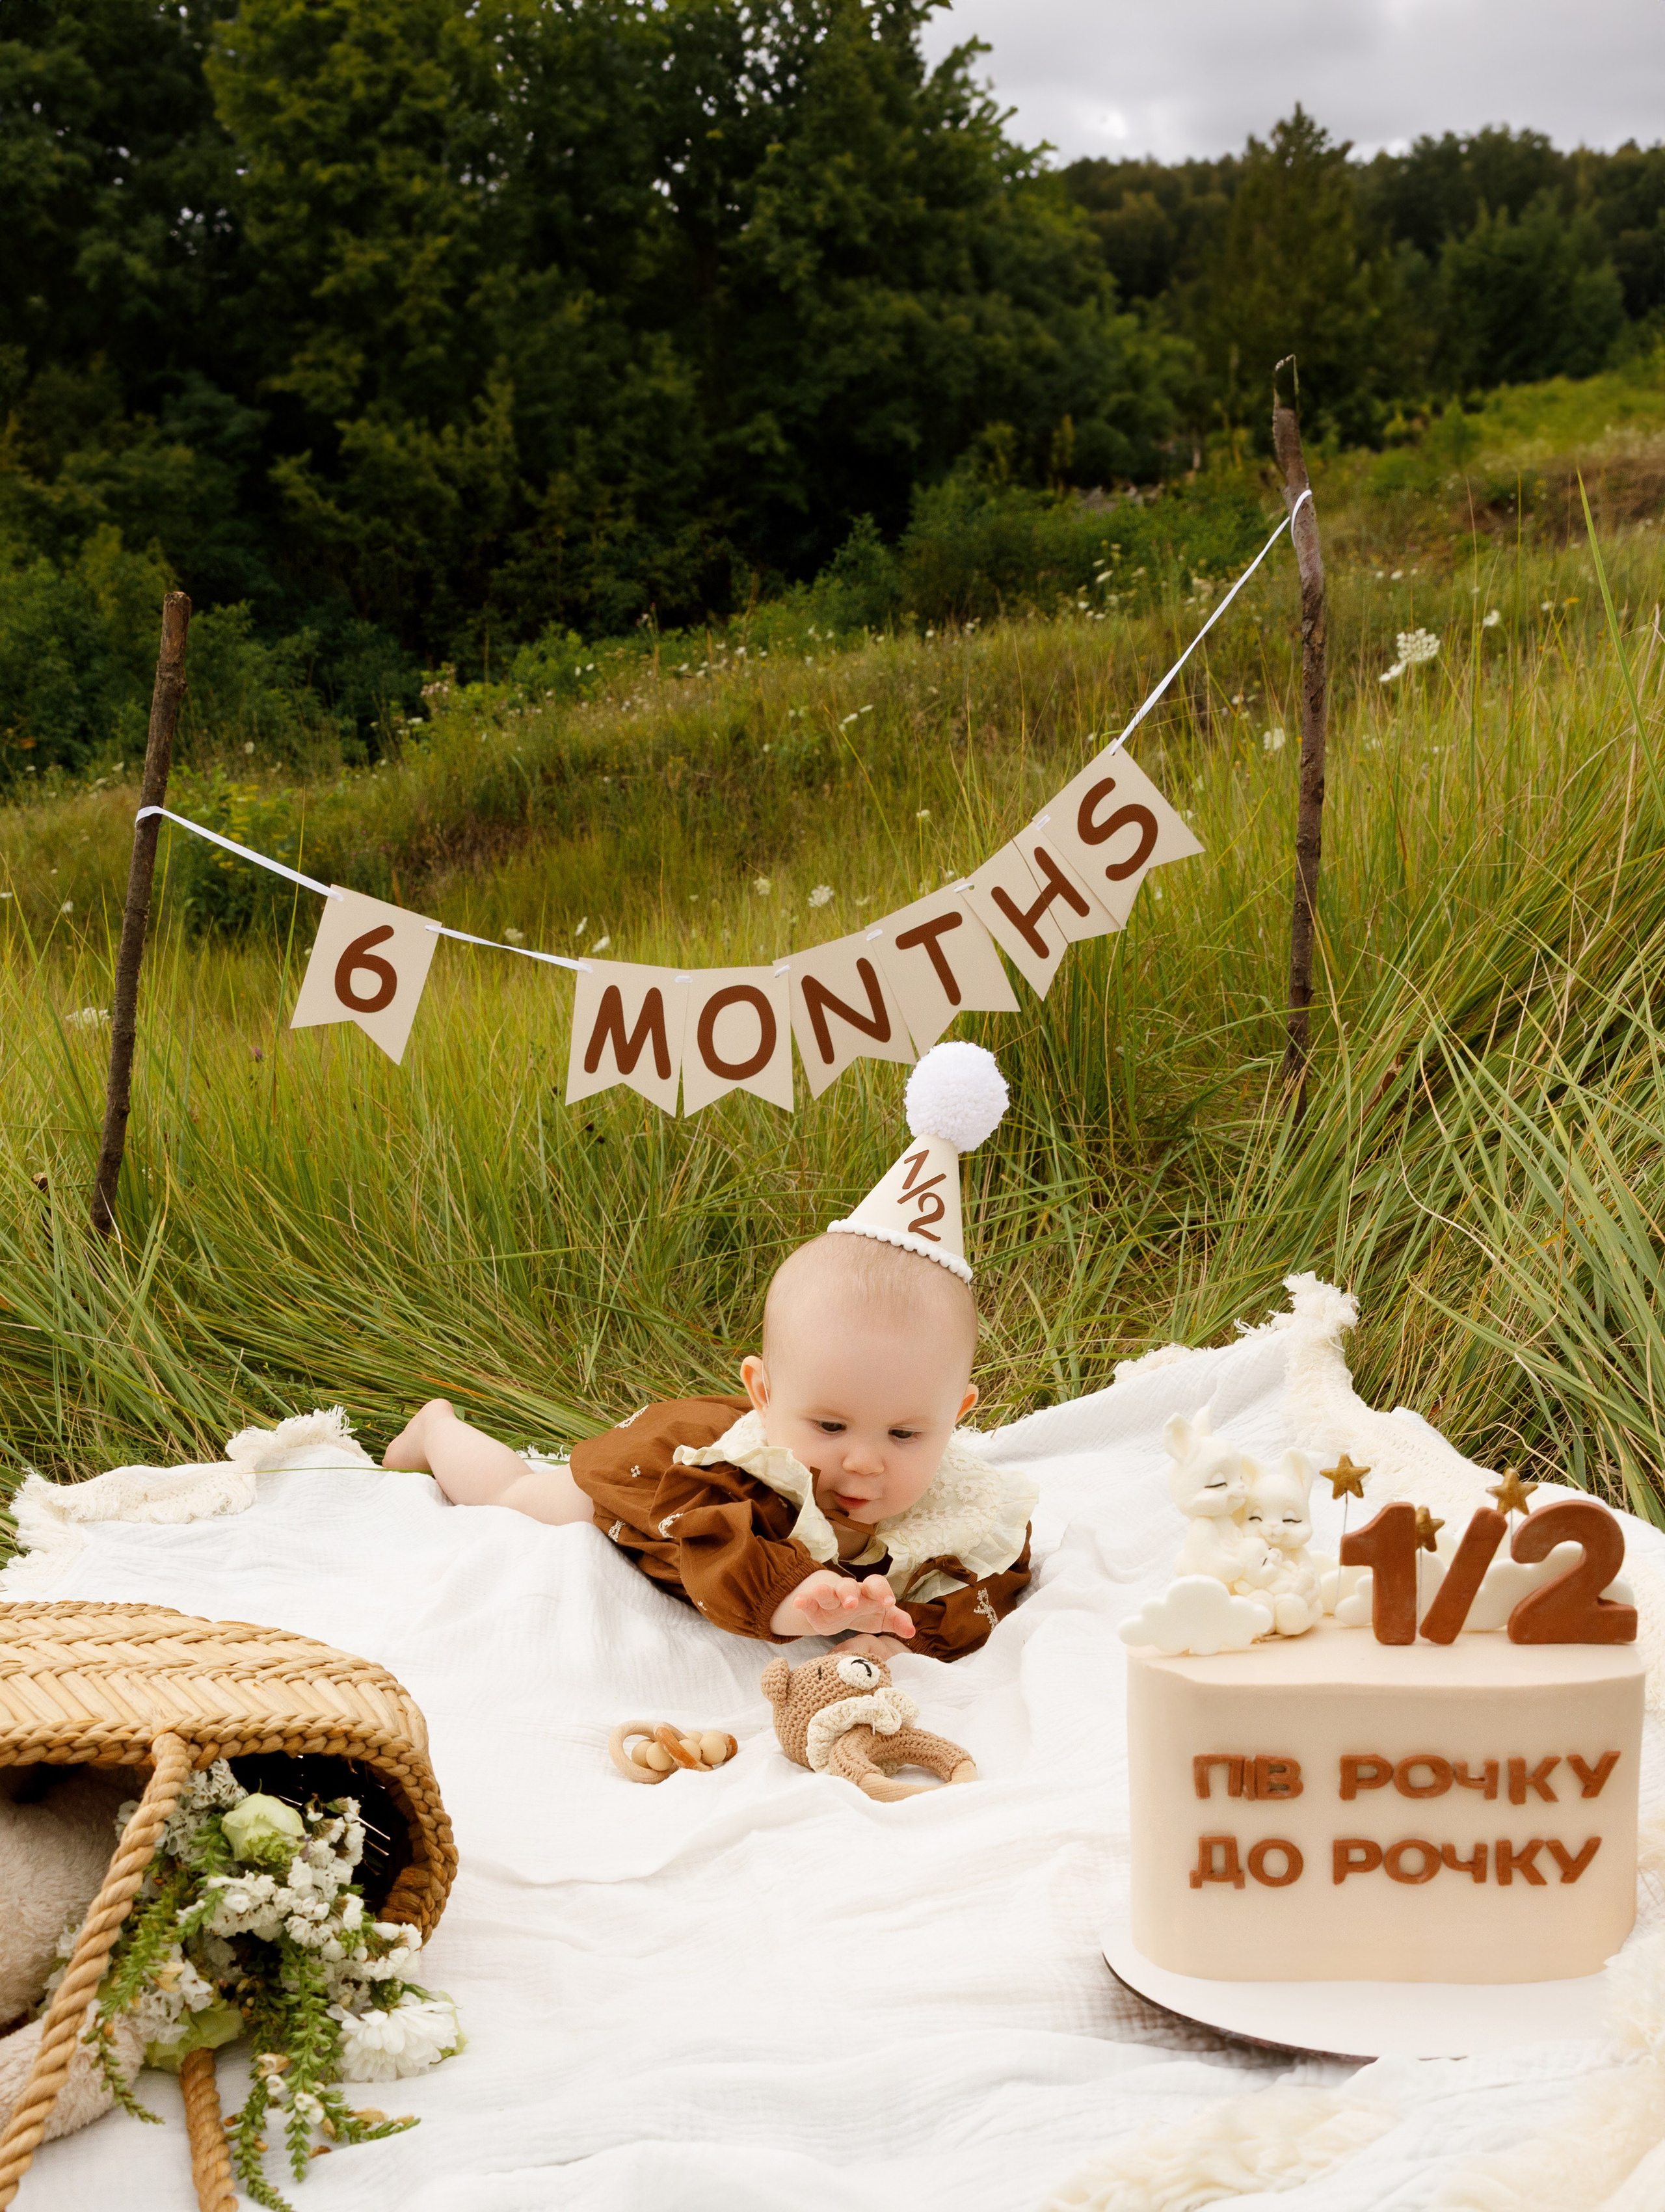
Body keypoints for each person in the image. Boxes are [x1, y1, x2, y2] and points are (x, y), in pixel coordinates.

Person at [383, 1043, 1037, 1660]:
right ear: (764, 1391)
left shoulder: (964, 1504)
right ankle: (437, 1427)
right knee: (519, 1496)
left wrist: (902, 1633)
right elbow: (714, 1549)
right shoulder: (718, 1478)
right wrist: (793, 1599)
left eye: (904, 1432)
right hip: (656, 1487)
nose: (863, 1461)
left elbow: (989, 1588)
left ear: (956, 1413)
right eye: (830, 1425)